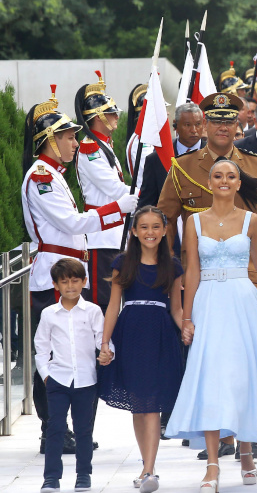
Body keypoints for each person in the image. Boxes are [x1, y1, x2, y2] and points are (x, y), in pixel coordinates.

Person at [165, 159, 257, 490]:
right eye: (218, 176)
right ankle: (213, 464)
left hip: (243, 302)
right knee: (212, 377)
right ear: (210, 182)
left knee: (243, 376)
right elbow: (191, 271)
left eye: (231, 176)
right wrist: (187, 318)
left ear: (239, 182)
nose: (225, 181)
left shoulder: (252, 220)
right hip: (208, 304)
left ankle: (246, 450)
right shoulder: (194, 222)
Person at [157, 93, 257, 459]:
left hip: (247, 280)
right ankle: (222, 435)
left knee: (245, 362)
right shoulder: (182, 167)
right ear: (205, 124)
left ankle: (245, 432)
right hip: (203, 282)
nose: (222, 127)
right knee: (214, 362)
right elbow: (166, 217)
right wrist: (170, 270)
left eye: (229, 121)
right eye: (215, 120)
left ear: (237, 125)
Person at [21, 86, 136, 456]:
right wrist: (117, 209)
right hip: (52, 276)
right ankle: (51, 429)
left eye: (73, 136)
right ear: (49, 141)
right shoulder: (41, 177)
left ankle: (65, 426)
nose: (74, 142)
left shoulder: (52, 174)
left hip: (67, 271)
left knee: (76, 352)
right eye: (68, 137)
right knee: (53, 356)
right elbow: (71, 223)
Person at [98, 206, 184, 492]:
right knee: (139, 404)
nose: (150, 232)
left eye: (156, 227)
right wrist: (105, 342)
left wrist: (186, 328)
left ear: (164, 230)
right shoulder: (123, 262)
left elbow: (176, 308)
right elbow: (113, 305)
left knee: (153, 405)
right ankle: (148, 467)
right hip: (131, 332)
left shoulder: (172, 265)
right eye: (144, 227)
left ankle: (149, 469)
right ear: (134, 231)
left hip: (160, 335)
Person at [36, 258, 111, 493]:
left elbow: (102, 339)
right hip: (58, 380)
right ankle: (51, 478)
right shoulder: (49, 314)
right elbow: (41, 347)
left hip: (86, 380)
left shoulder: (93, 311)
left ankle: (83, 475)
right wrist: (47, 375)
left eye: (75, 280)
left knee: (83, 430)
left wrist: (107, 353)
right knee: (55, 428)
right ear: (55, 285)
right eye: (64, 281)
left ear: (84, 282)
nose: (70, 286)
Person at [74, 70, 132, 312]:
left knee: (116, 301)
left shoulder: (102, 145)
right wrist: (144, 194)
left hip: (114, 230)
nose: (116, 115)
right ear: (98, 117)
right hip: (101, 234)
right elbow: (114, 188)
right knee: (103, 301)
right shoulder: (90, 148)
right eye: (110, 112)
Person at [138, 103, 206, 209]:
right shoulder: (156, 160)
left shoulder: (215, 155)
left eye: (198, 124)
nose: (194, 130)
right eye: (187, 125)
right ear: (175, 125)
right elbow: (147, 203)